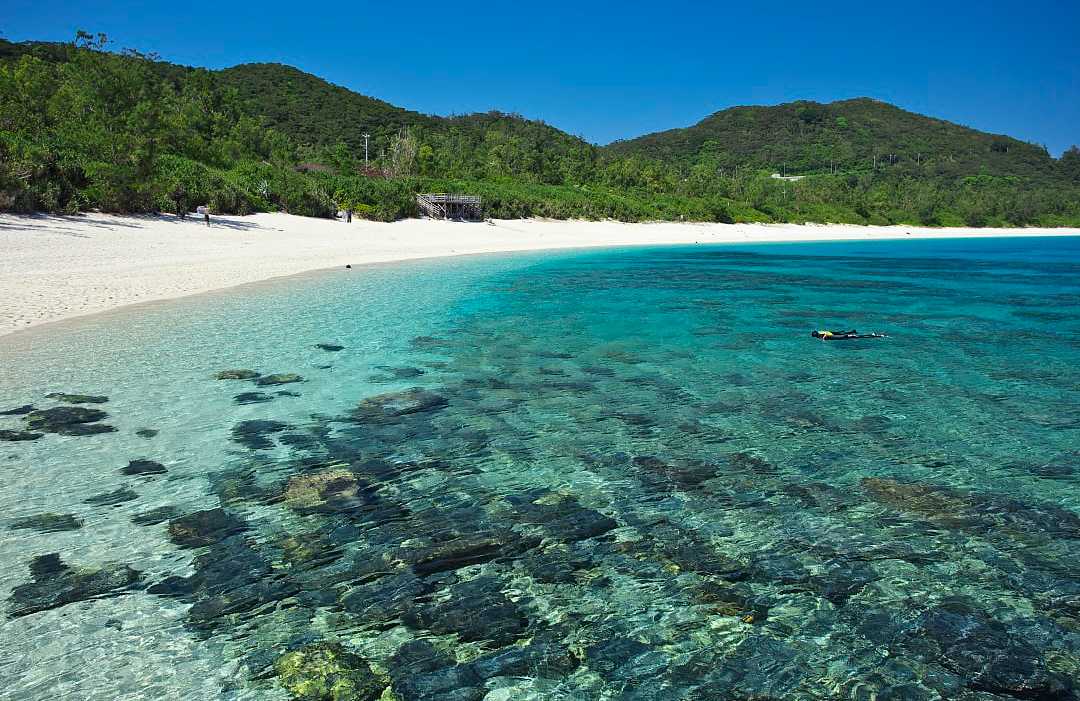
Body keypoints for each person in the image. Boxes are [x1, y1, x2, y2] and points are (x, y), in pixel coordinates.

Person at [812, 329, 887, 340]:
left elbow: (826, 334)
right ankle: (852, 331)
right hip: (832, 333)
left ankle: (875, 335)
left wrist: (824, 339)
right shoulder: (819, 332)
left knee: (859, 337)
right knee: (858, 336)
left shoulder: (820, 335)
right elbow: (826, 332)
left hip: (833, 335)